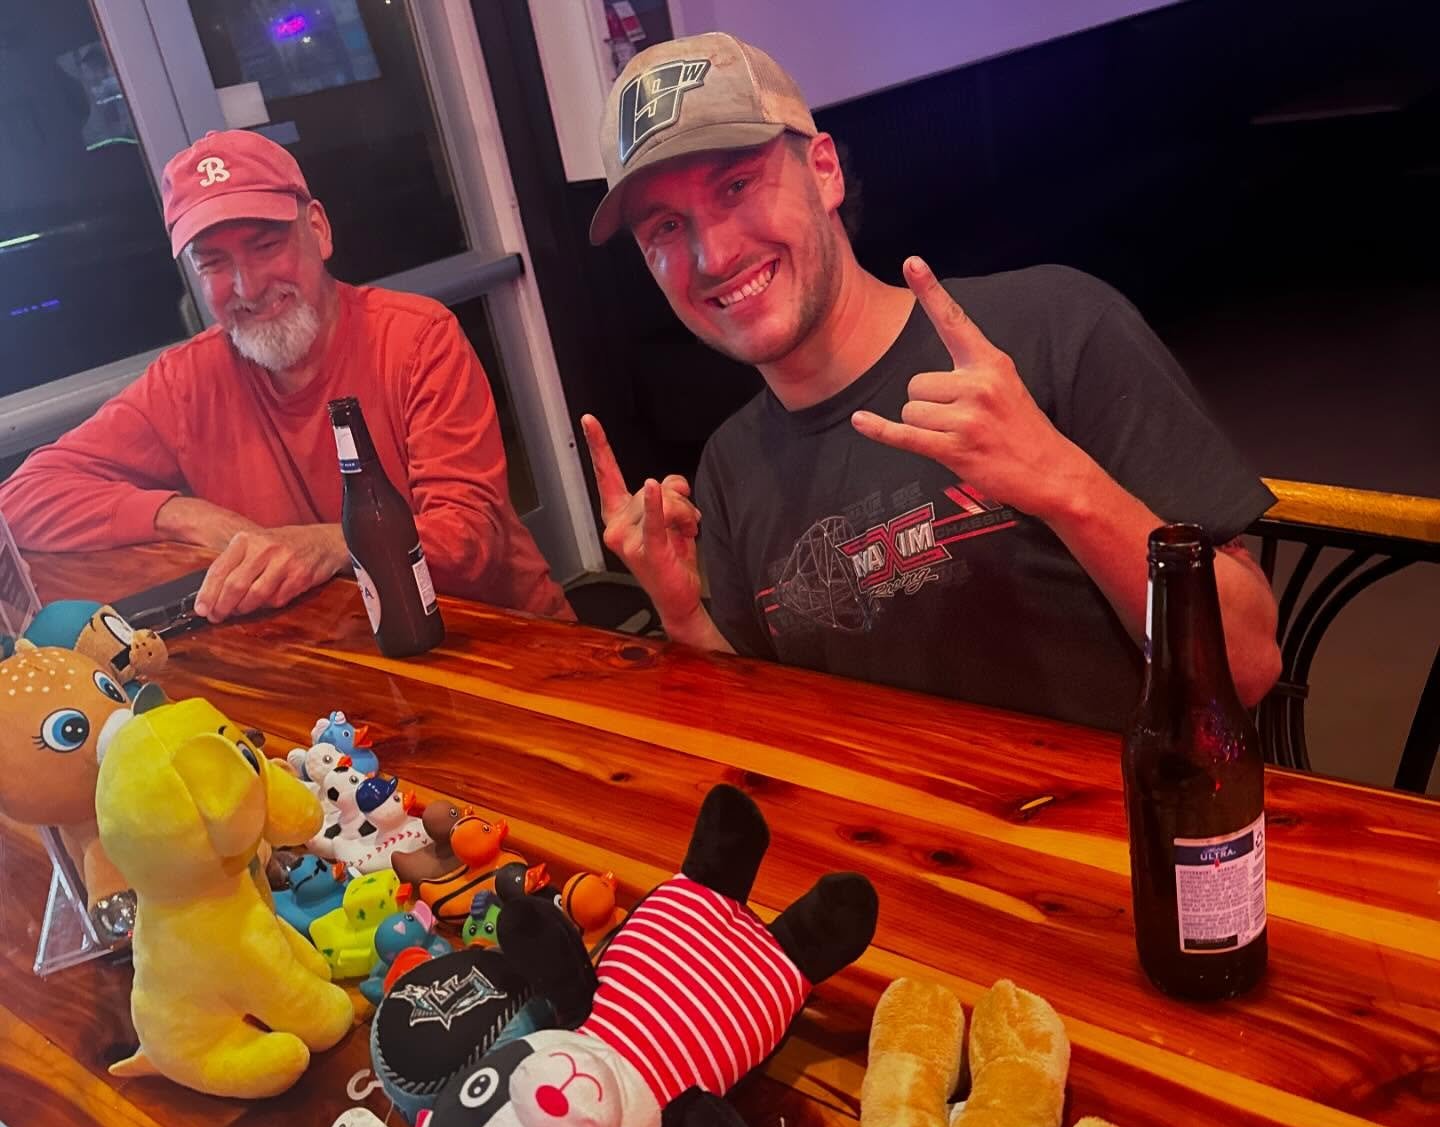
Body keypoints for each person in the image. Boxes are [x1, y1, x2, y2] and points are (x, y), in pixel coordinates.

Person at [582, 35, 1281, 729]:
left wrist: (1066, 484)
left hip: (1115, 832)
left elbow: (1248, 665)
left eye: (735, 186)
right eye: (667, 228)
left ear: (824, 170)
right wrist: (683, 615)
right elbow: (767, 731)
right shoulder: (731, 469)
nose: (714, 253)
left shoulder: (1054, 326)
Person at [1, 130, 571, 624]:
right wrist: (185, 514)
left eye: (266, 244)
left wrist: (327, 546)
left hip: (499, 635)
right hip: (346, 651)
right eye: (214, 262)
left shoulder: (418, 338)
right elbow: (22, 497)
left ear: (318, 230)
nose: (246, 287)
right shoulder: (186, 380)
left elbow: (469, 538)